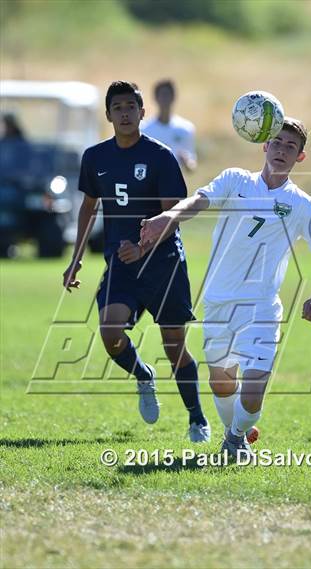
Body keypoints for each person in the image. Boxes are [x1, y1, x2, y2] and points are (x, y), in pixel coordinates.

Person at [140, 117, 311, 460]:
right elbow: (197, 202)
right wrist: (167, 217)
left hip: (261, 307)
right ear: (264, 146)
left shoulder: (302, 205)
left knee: (253, 390)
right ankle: (241, 433)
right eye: (276, 142)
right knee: (221, 382)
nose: (281, 150)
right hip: (219, 302)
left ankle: (234, 438)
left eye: (290, 147)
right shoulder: (234, 180)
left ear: (300, 158)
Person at [62, 81, 210, 443]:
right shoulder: (95, 157)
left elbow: (173, 213)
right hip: (122, 265)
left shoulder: (161, 156)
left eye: (132, 106)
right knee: (111, 334)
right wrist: (76, 259)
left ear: (142, 113)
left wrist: (143, 248)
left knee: (174, 345)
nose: (125, 113)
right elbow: (88, 208)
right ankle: (144, 375)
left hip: (164, 264)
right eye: (118, 107)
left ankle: (197, 419)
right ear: (109, 114)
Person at [142, 79, 197, 172]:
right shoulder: (144, 129)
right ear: (155, 98)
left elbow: (192, 165)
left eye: (167, 95)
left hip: (175, 183)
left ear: (173, 97)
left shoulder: (185, 129)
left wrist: (187, 162)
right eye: (162, 95)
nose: (165, 99)